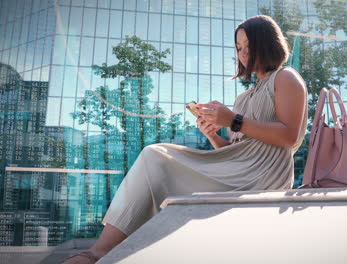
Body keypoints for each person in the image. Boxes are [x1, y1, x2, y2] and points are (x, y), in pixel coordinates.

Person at [62, 14, 307, 263]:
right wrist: (213, 135)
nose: (242, 53)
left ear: (267, 43)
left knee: (155, 156)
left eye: (248, 45)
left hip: (263, 175)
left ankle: (99, 253)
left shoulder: (286, 77)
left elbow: (289, 136)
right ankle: (108, 251)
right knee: (154, 157)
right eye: (238, 47)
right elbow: (237, 149)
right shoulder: (244, 98)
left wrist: (233, 120)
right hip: (238, 170)